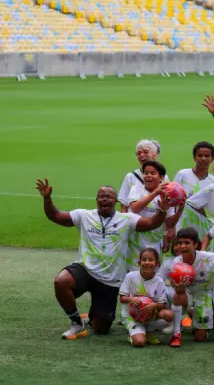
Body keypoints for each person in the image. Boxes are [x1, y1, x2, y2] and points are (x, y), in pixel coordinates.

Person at [37, 179, 169, 339]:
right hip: (85, 270)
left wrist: (162, 209)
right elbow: (56, 216)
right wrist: (47, 198)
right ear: (97, 200)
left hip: (110, 280)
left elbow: (150, 223)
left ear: (115, 201)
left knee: (101, 329)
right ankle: (77, 323)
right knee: (61, 281)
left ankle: (94, 315)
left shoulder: (127, 219)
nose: (104, 199)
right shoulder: (84, 215)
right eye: (101, 196)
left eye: (108, 196)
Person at [157, 227, 214, 347]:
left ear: (195, 244)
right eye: (179, 243)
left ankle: (198, 322)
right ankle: (176, 334)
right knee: (177, 297)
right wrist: (181, 287)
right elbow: (178, 290)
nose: (182, 246)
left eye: (186, 243)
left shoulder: (208, 258)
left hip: (203, 294)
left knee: (200, 338)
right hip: (187, 293)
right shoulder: (176, 263)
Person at [118, 248, 173, 347]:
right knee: (139, 342)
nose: (147, 262)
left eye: (151, 260)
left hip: (150, 316)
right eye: (144, 260)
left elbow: (162, 304)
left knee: (168, 315)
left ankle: (149, 331)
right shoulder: (130, 277)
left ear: (157, 264)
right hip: (132, 317)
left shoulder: (159, 281)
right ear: (139, 262)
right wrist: (131, 299)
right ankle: (135, 334)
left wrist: (154, 305)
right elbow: (122, 299)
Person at [173, 141, 214, 237]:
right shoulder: (182, 175)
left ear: (212, 158)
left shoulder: (213, 181)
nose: (203, 159)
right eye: (200, 155)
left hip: (202, 229)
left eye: (207, 156)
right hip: (181, 226)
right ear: (194, 157)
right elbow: (172, 202)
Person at [119, 139, 167, 211]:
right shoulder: (130, 177)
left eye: (145, 152)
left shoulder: (164, 177)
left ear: (155, 154)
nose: (141, 155)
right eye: (139, 153)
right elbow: (123, 206)